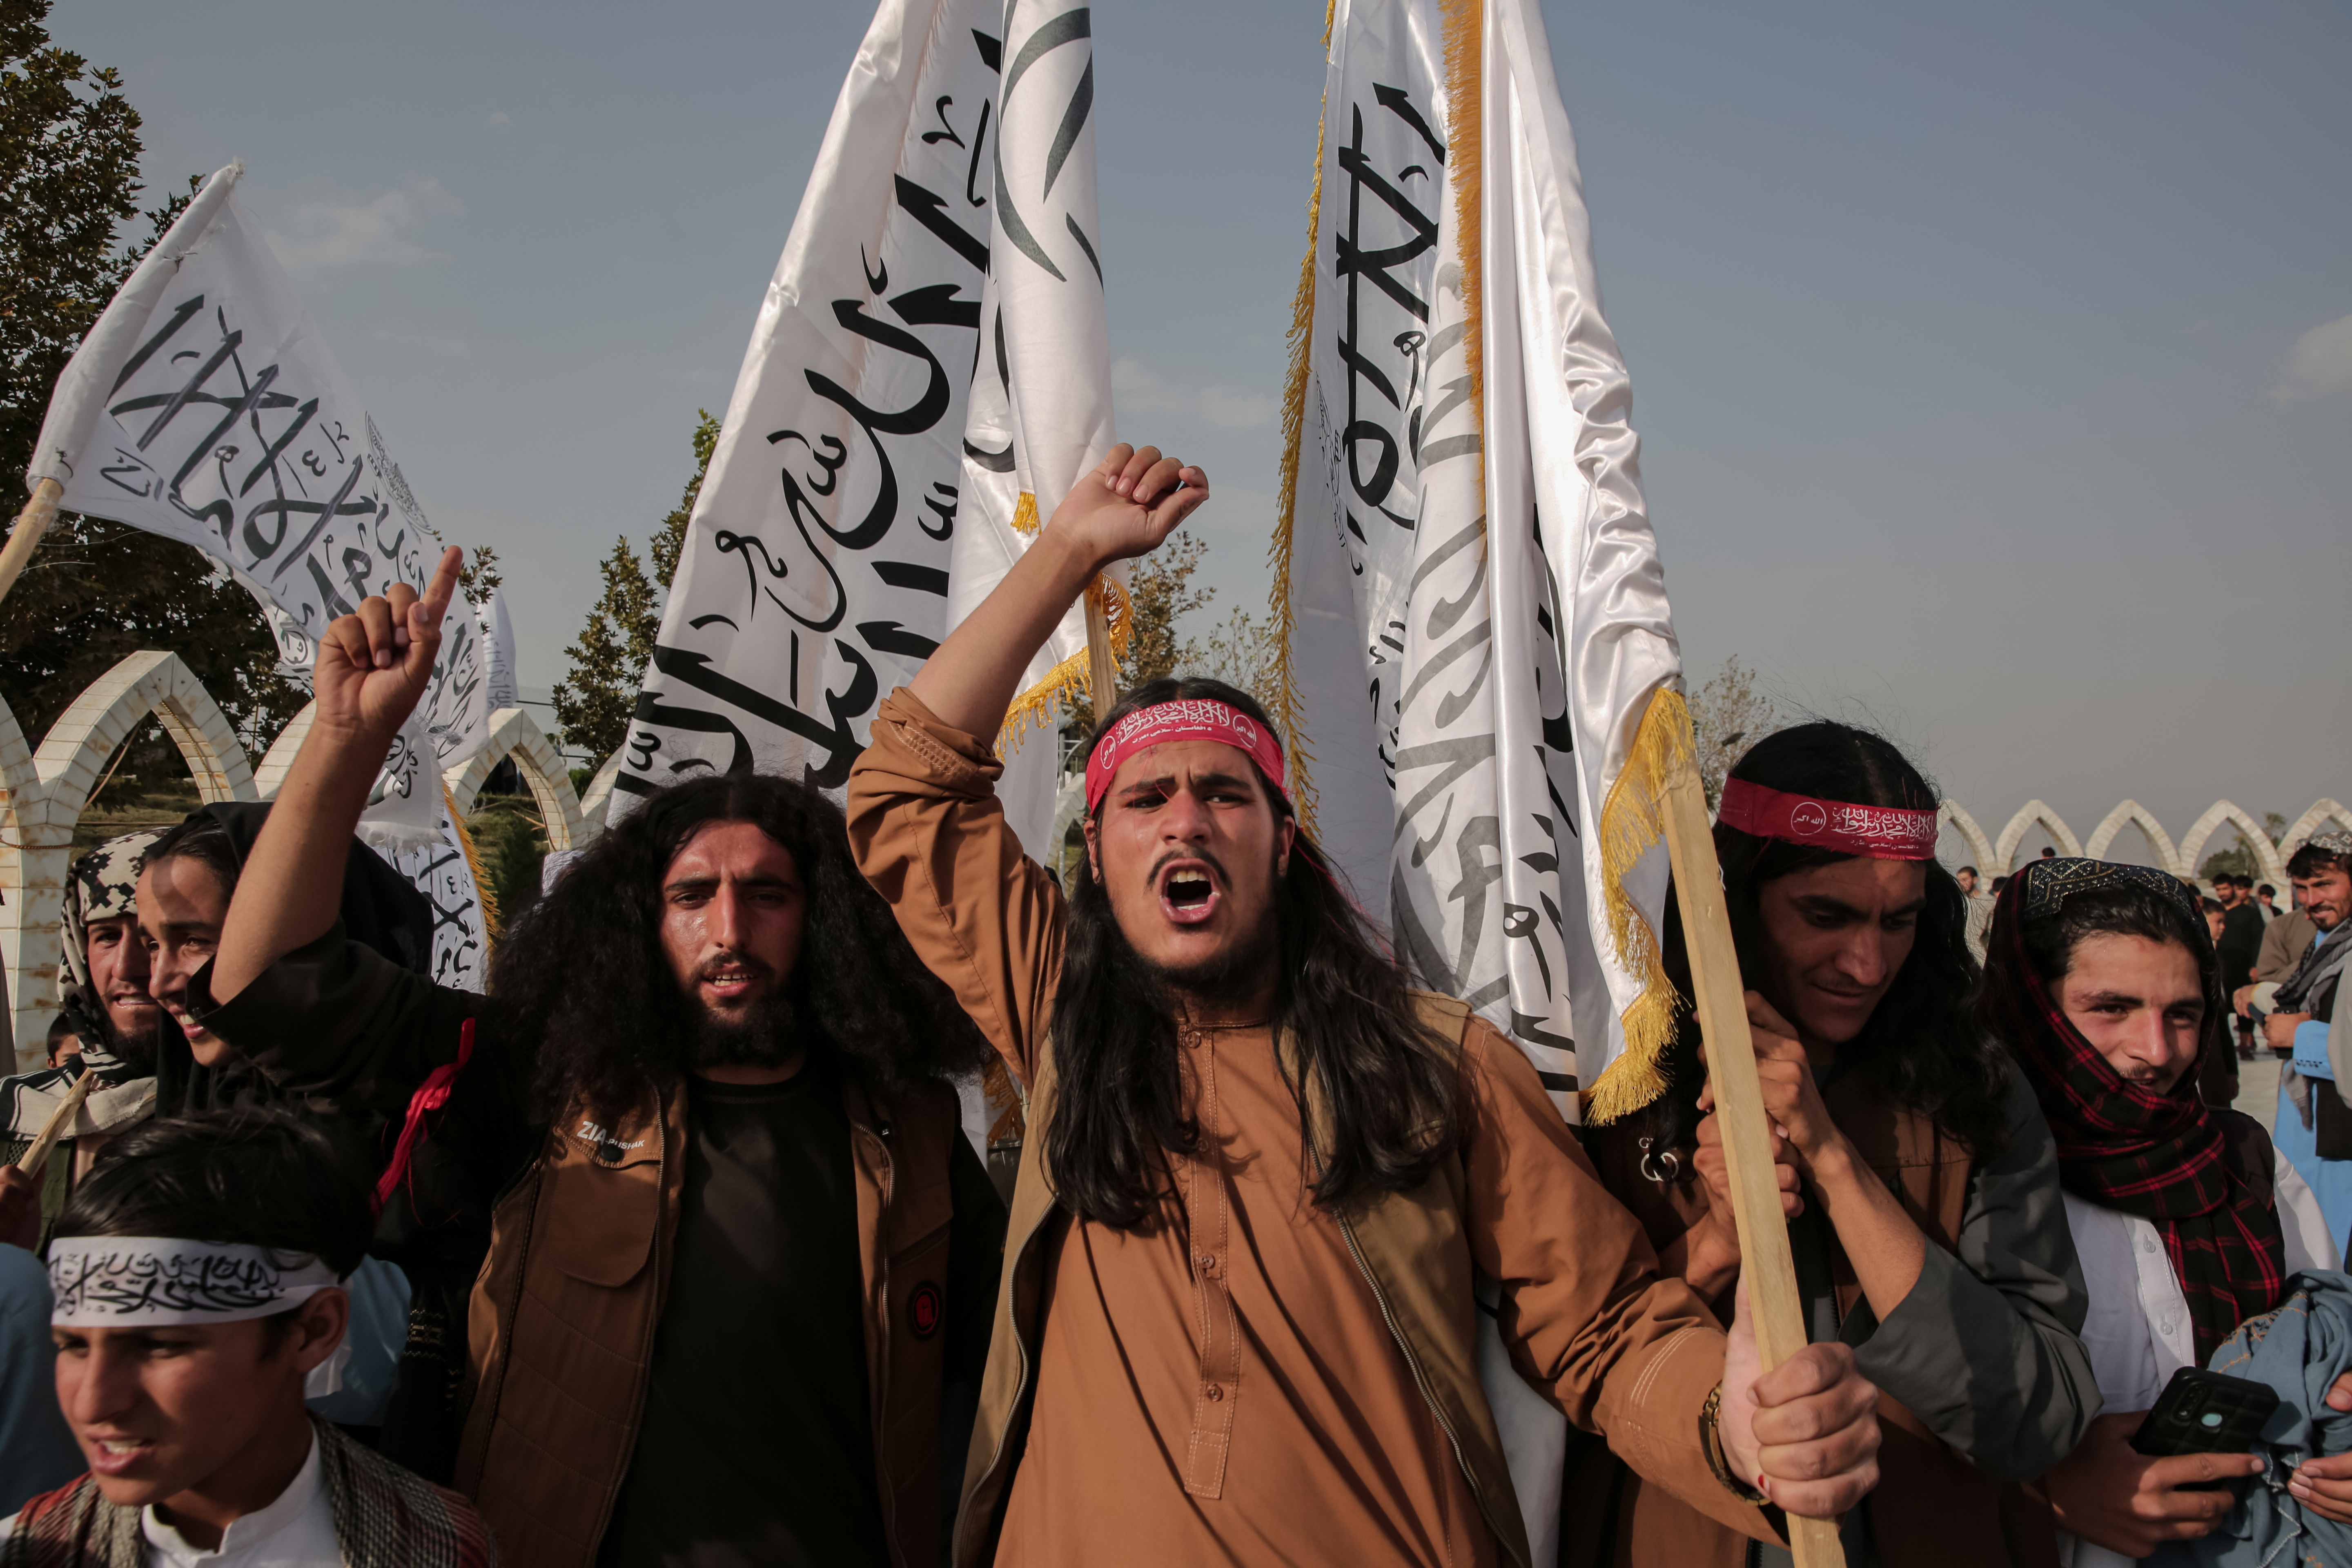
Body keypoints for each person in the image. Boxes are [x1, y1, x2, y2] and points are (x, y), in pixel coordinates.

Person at [848, 443, 1883, 1568]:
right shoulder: (1062, 1018)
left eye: (1223, 795)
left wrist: (1733, 1428)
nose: (1186, 822)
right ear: (1096, 854)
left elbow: (1603, 1326)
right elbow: (910, 784)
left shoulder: (1436, 1065)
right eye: (1146, 799)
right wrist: (1068, 552)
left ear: (1284, 844)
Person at [195, 549, 1009, 1568]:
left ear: (826, 922)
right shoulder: (537, 1079)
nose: (727, 927)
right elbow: (265, 985)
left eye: (766, 894)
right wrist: (346, 738)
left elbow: (1006, 1379)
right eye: (689, 895)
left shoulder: (914, 1131)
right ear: (636, 922)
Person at [1572, 723, 2098, 1567]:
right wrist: (1717, 1239)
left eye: (1899, 923)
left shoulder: (1973, 1094)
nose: (1866, 963)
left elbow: (2033, 1415)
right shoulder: (1619, 1080)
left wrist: (1831, 1157)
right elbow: (1571, 1356)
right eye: (1827, 916)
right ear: (1734, 899)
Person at [1988, 857, 2350, 1563]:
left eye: (2183, 1014)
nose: (2156, 1052)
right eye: (2110, 1008)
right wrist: (2045, 1485)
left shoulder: (2242, 1159)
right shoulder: (1961, 1172)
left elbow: (2321, 1340)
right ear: (2031, 1004)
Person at [0, 1106, 497, 1566]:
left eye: (159, 1345)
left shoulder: (438, 1548)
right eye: (73, 1346)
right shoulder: (32, 1549)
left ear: (313, 1330)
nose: (93, 1403)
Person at [2256, 832, 2352, 1243]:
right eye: (2302, 888)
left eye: (2324, 884)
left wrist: (2303, 1035)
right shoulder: (2324, 946)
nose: (2311, 900)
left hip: (2340, 1145)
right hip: (2309, 1135)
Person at [2213, 875, 2265, 1062]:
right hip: (2221, 966)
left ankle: (2244, 1045)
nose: (2222, 894)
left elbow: (2259, 939)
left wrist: (2255, 965)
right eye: (2219, 890)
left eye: (2225, 889)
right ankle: (2226, 1048)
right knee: (2222, 1008)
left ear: (2233, 889)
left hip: (2243, 966)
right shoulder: (2216, 912)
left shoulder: (2249, 913)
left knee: (2245, 1007)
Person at [1959, 865, 1997, 962]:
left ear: (1975, 880)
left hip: (1980, 958)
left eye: (1965, 880)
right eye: (1960, 881)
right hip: (1960, 957)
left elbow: (1994, 933)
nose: (1962, 884)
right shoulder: (1958, 902)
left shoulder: (1989, 901)